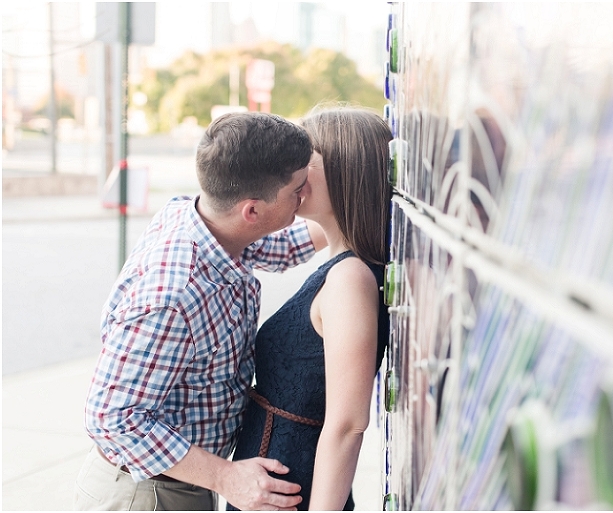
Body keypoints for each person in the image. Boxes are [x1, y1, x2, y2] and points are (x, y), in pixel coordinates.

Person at [75, 112, 328, 511]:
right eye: (297, 189)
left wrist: (352, 214)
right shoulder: (173, 294)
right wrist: (225, 477)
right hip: (144, 494)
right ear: (252, 211)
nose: (304, 195)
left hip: (179, 482)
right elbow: (113, 418)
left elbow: (278, 247)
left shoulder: (209, 221)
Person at [228, 106, 393, 510]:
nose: (291, 170)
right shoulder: (341, 263)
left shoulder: (349, 278)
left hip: (293, 494)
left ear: (343, 171)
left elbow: (348, 425)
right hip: (273, 488)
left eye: (304, 160)